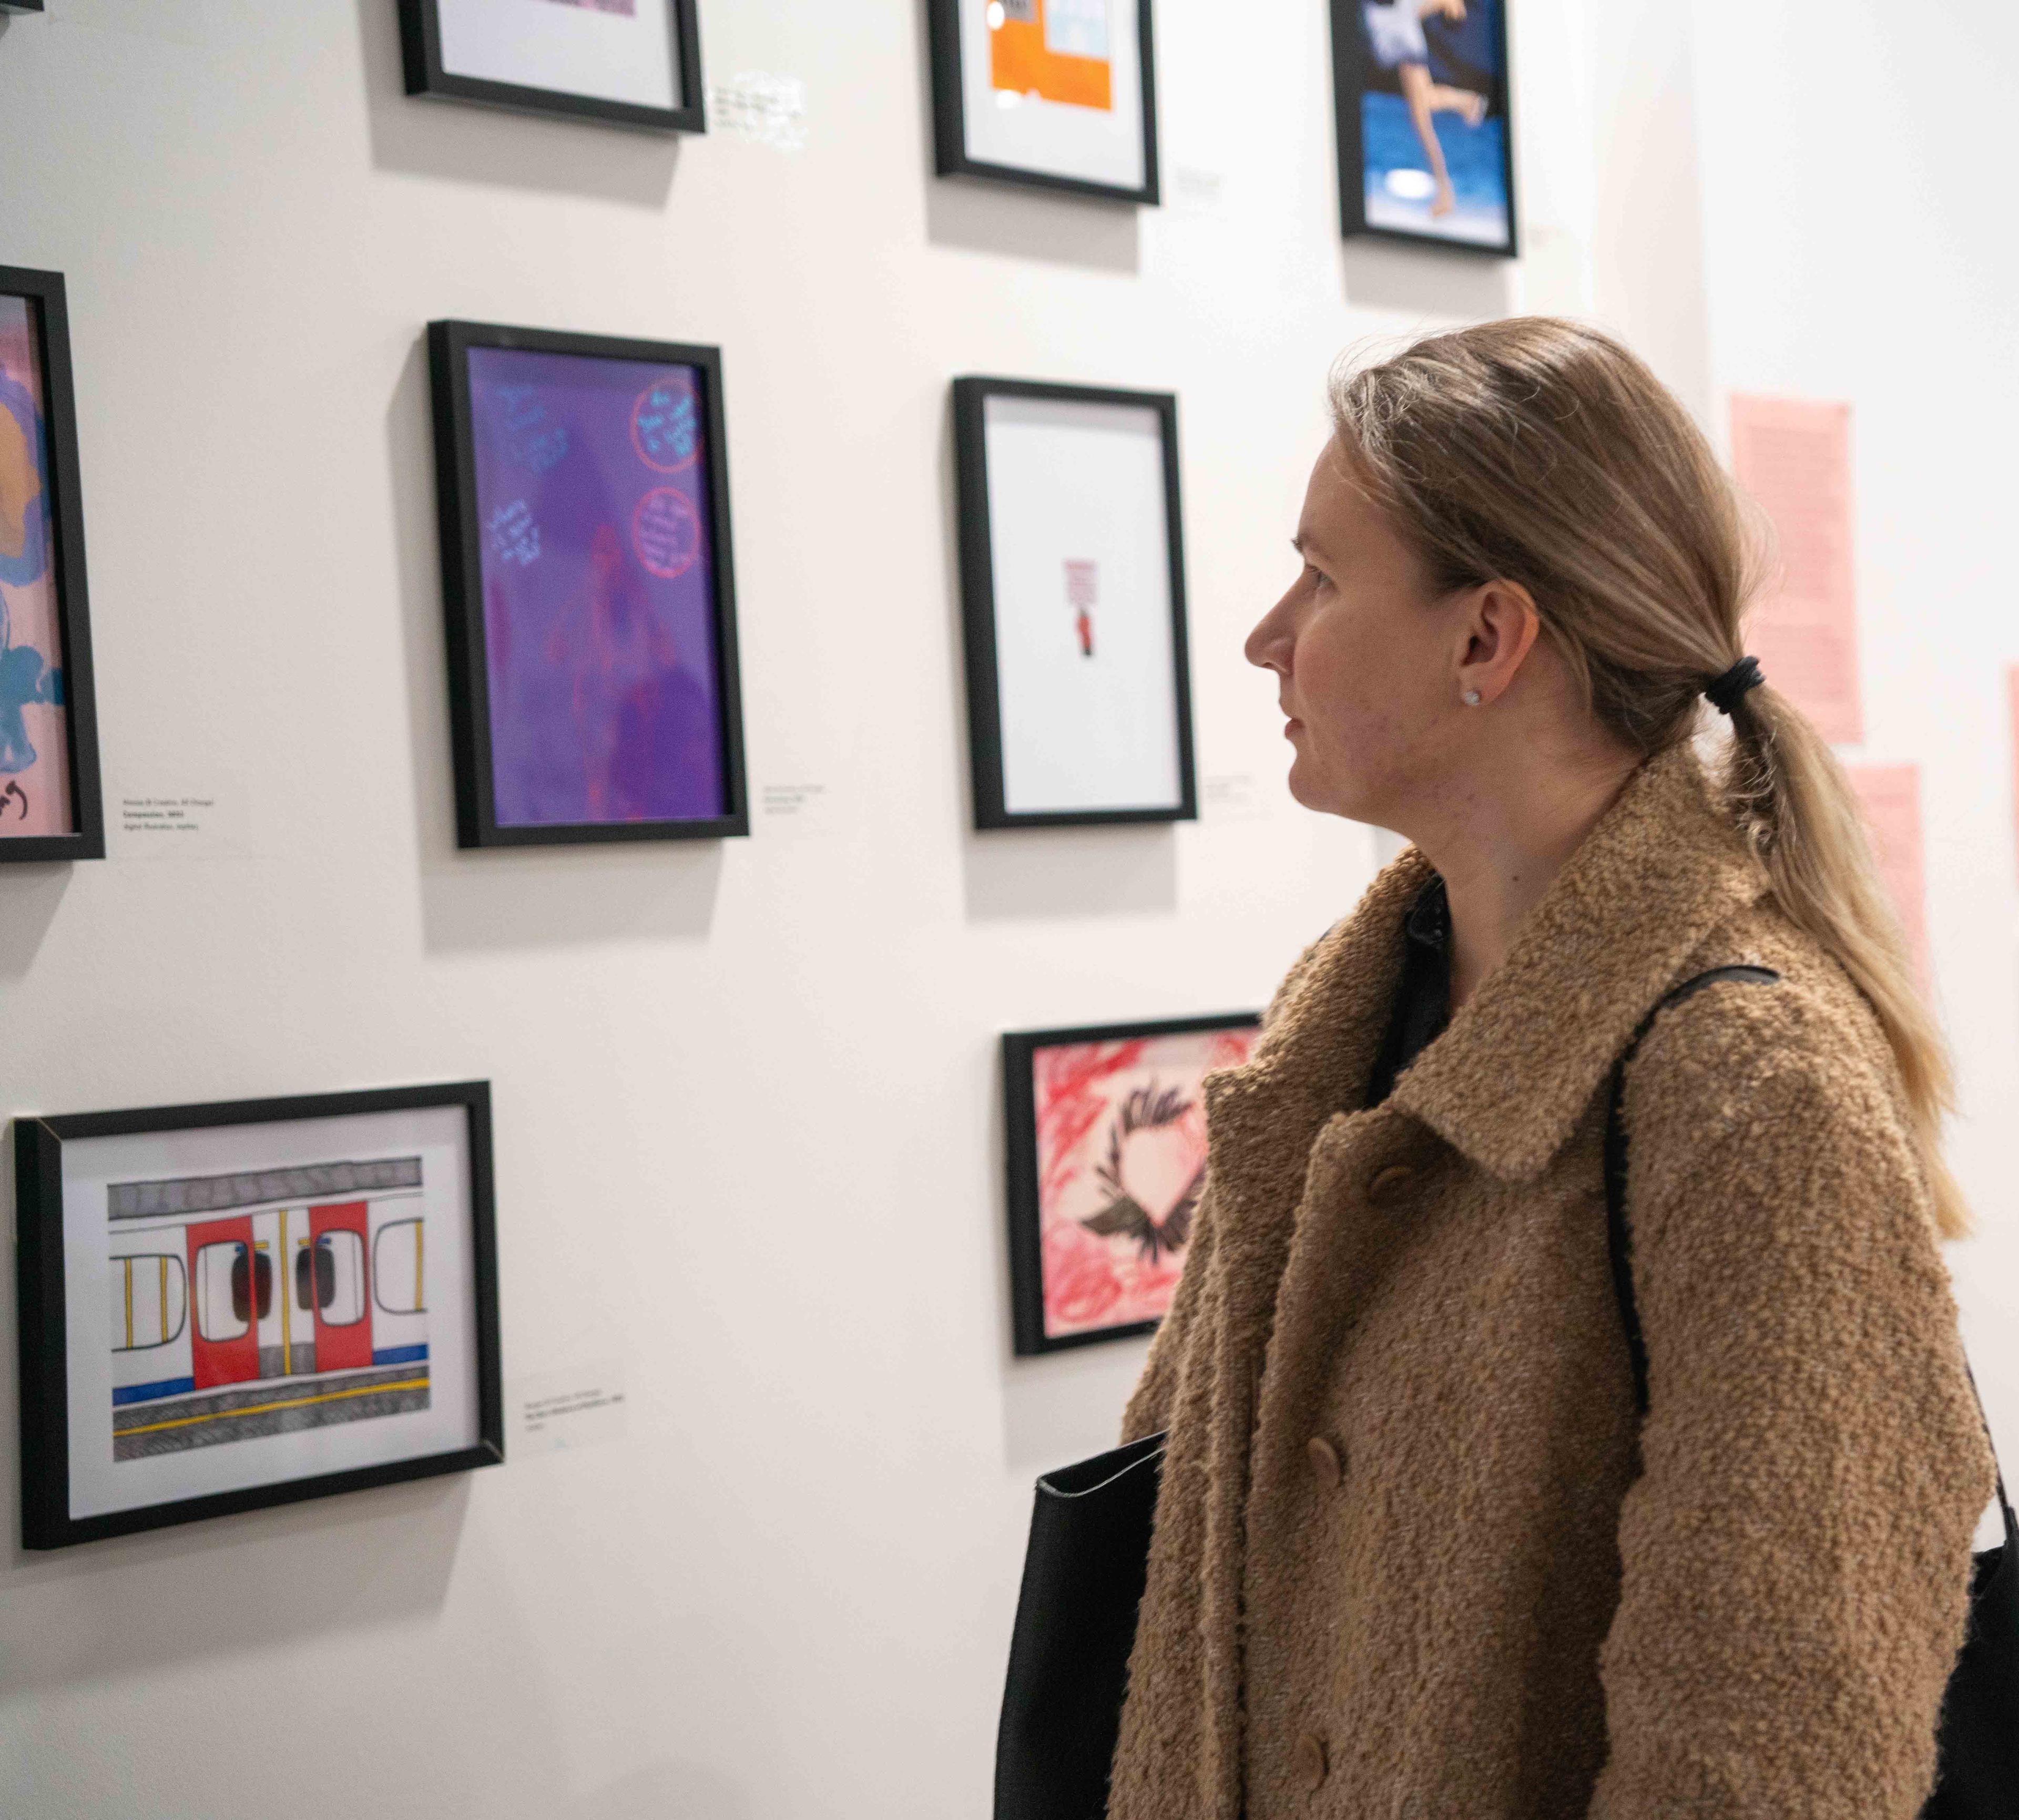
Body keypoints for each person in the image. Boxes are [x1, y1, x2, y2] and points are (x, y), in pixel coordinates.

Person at [1105, 318, 1996, 1818]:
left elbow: (1775, 1740)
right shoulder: (1349, 1005)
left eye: (1323, 575)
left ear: (1486, 637)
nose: (1269, 633)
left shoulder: (1747, 1075)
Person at [1363, 0, 1487, 217]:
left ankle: (1445, 194)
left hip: (1397, 26)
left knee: (1421, 116)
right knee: (1423, 107)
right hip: (1390, 20)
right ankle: (1467, 101)